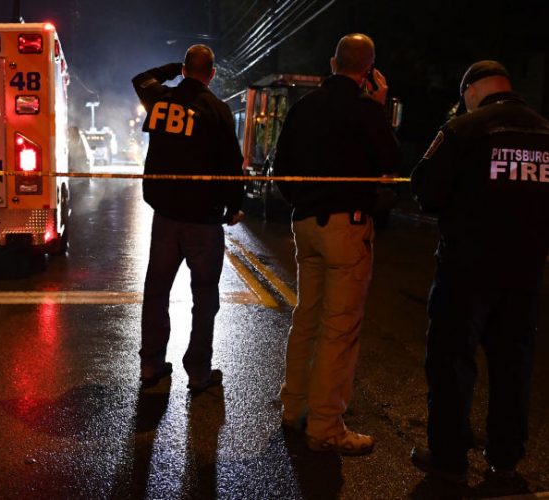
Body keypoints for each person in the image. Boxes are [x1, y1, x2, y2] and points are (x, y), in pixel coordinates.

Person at [410, 60, 549, 482]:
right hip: (525, 271)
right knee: (513, 365)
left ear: (472, 90)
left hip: (466, 271)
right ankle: (505, 459)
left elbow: (426, 190)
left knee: (452, 360)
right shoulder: (544, 132)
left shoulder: (463, 130)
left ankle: (449, 456)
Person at [273, 33, 400, 455]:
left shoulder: (303, 108)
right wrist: (378, 108)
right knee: (339, 327)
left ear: (332, 63)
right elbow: (391, 161)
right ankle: (326, 425)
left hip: (306, 224)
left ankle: (295, 407)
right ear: (369, 71)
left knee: (307, 318)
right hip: (347, 227)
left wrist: (304, 202)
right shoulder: (366, 111)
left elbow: (280, 168)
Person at [132, 45, 244, 393]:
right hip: (203, 221)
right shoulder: (217, 109)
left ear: (184, 69)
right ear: (211, 74)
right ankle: (198, 373)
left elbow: (140, 80)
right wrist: (234, 205)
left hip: (166, 217)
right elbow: (231, 163)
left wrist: (172, 69)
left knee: (156, 292)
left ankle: (151, 365)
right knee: (205, 297)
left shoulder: (161, 100)